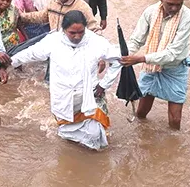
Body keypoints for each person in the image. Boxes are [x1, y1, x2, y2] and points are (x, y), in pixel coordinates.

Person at [11, 11, 122, 150]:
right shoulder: (53, 41)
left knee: (95, 135)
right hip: (63, 96)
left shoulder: (96, 41)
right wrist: (8, 63)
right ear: (64, 30)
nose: (77, 36)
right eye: (72, 33)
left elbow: (118, 60)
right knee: (66, 134)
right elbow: (30, 54)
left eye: (81, 32)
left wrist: (103, 85)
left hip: (89, 96)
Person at [121, 0, 190, 130]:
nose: (174, 8)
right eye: (170, 4)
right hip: (151, 67)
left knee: (175, 121)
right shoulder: (150, 12)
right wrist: (122, 56)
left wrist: (141, 59)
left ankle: (172, 149)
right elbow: (136, 40)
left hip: (174, 68)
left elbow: (173, 54)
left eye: (178, 4)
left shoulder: (188, 17)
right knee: (141, 113)